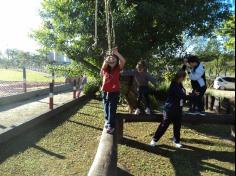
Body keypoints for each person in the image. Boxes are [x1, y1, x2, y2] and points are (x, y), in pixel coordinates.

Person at [150, 70, 194, 148]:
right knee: (163, 125)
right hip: (169, 109)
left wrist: (190, 94)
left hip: (178, 109)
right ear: (180, 77)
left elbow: (183, 94)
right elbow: (182, 96)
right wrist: (193, 95)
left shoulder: (179, 84)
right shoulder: (174, 85)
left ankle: (176, 141)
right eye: (184, 77)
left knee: (177, 126)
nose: (184, 79)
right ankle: (154, 140)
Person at [101, 48, 126, 134]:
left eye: (114, 58)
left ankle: (111, 125)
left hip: (114, 91)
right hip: (104, 90)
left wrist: (116, 53)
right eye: (109, 58)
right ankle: (107, 121)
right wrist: (109, 55)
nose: (111, 59)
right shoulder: (105, 69)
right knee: (106, 106)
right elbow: (104, 65)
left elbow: (123, 61)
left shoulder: (118, 68)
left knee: (112, 108)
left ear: (116, 61)